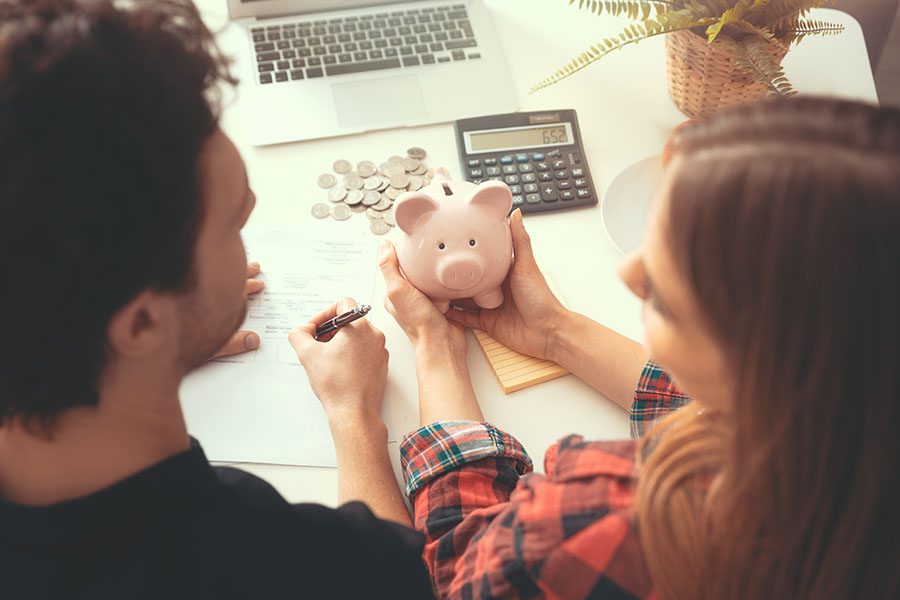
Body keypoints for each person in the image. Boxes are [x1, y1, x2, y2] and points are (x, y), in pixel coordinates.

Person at [378, 97, 900, 599]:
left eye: (669, 294)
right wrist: (554, 330)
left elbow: (459, 568)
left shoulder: (605, 524)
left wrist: (427, 356)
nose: (630, 274)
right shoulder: (852, 433)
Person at [0, 1, 432, 598]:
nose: (249, 232)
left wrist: (125, 366)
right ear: (142, 321)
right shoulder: (262, 554)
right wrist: (353, 414)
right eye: (234, 224)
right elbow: (395, 576)